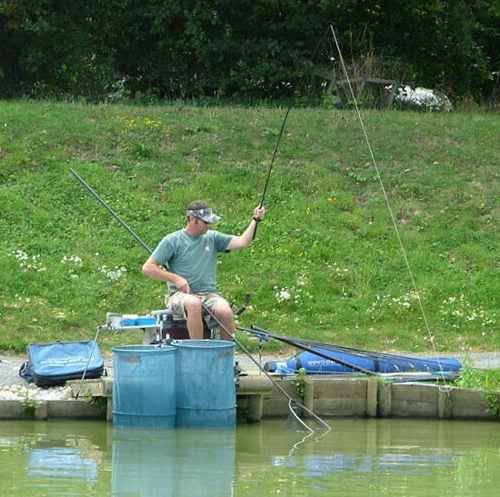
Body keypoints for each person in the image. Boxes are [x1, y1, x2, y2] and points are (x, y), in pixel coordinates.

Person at [142, 200, 266, 340]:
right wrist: (176, 279)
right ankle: (198, 350)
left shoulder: (212, 238)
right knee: (194, 304)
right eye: (206, 222)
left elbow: (243, 241)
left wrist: (255, 220)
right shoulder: (172, 240)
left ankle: (226, 355)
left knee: (225, 311)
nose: (209, 225)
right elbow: (148, 268)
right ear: (193, 220)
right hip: (179, 296)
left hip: (209, 295)